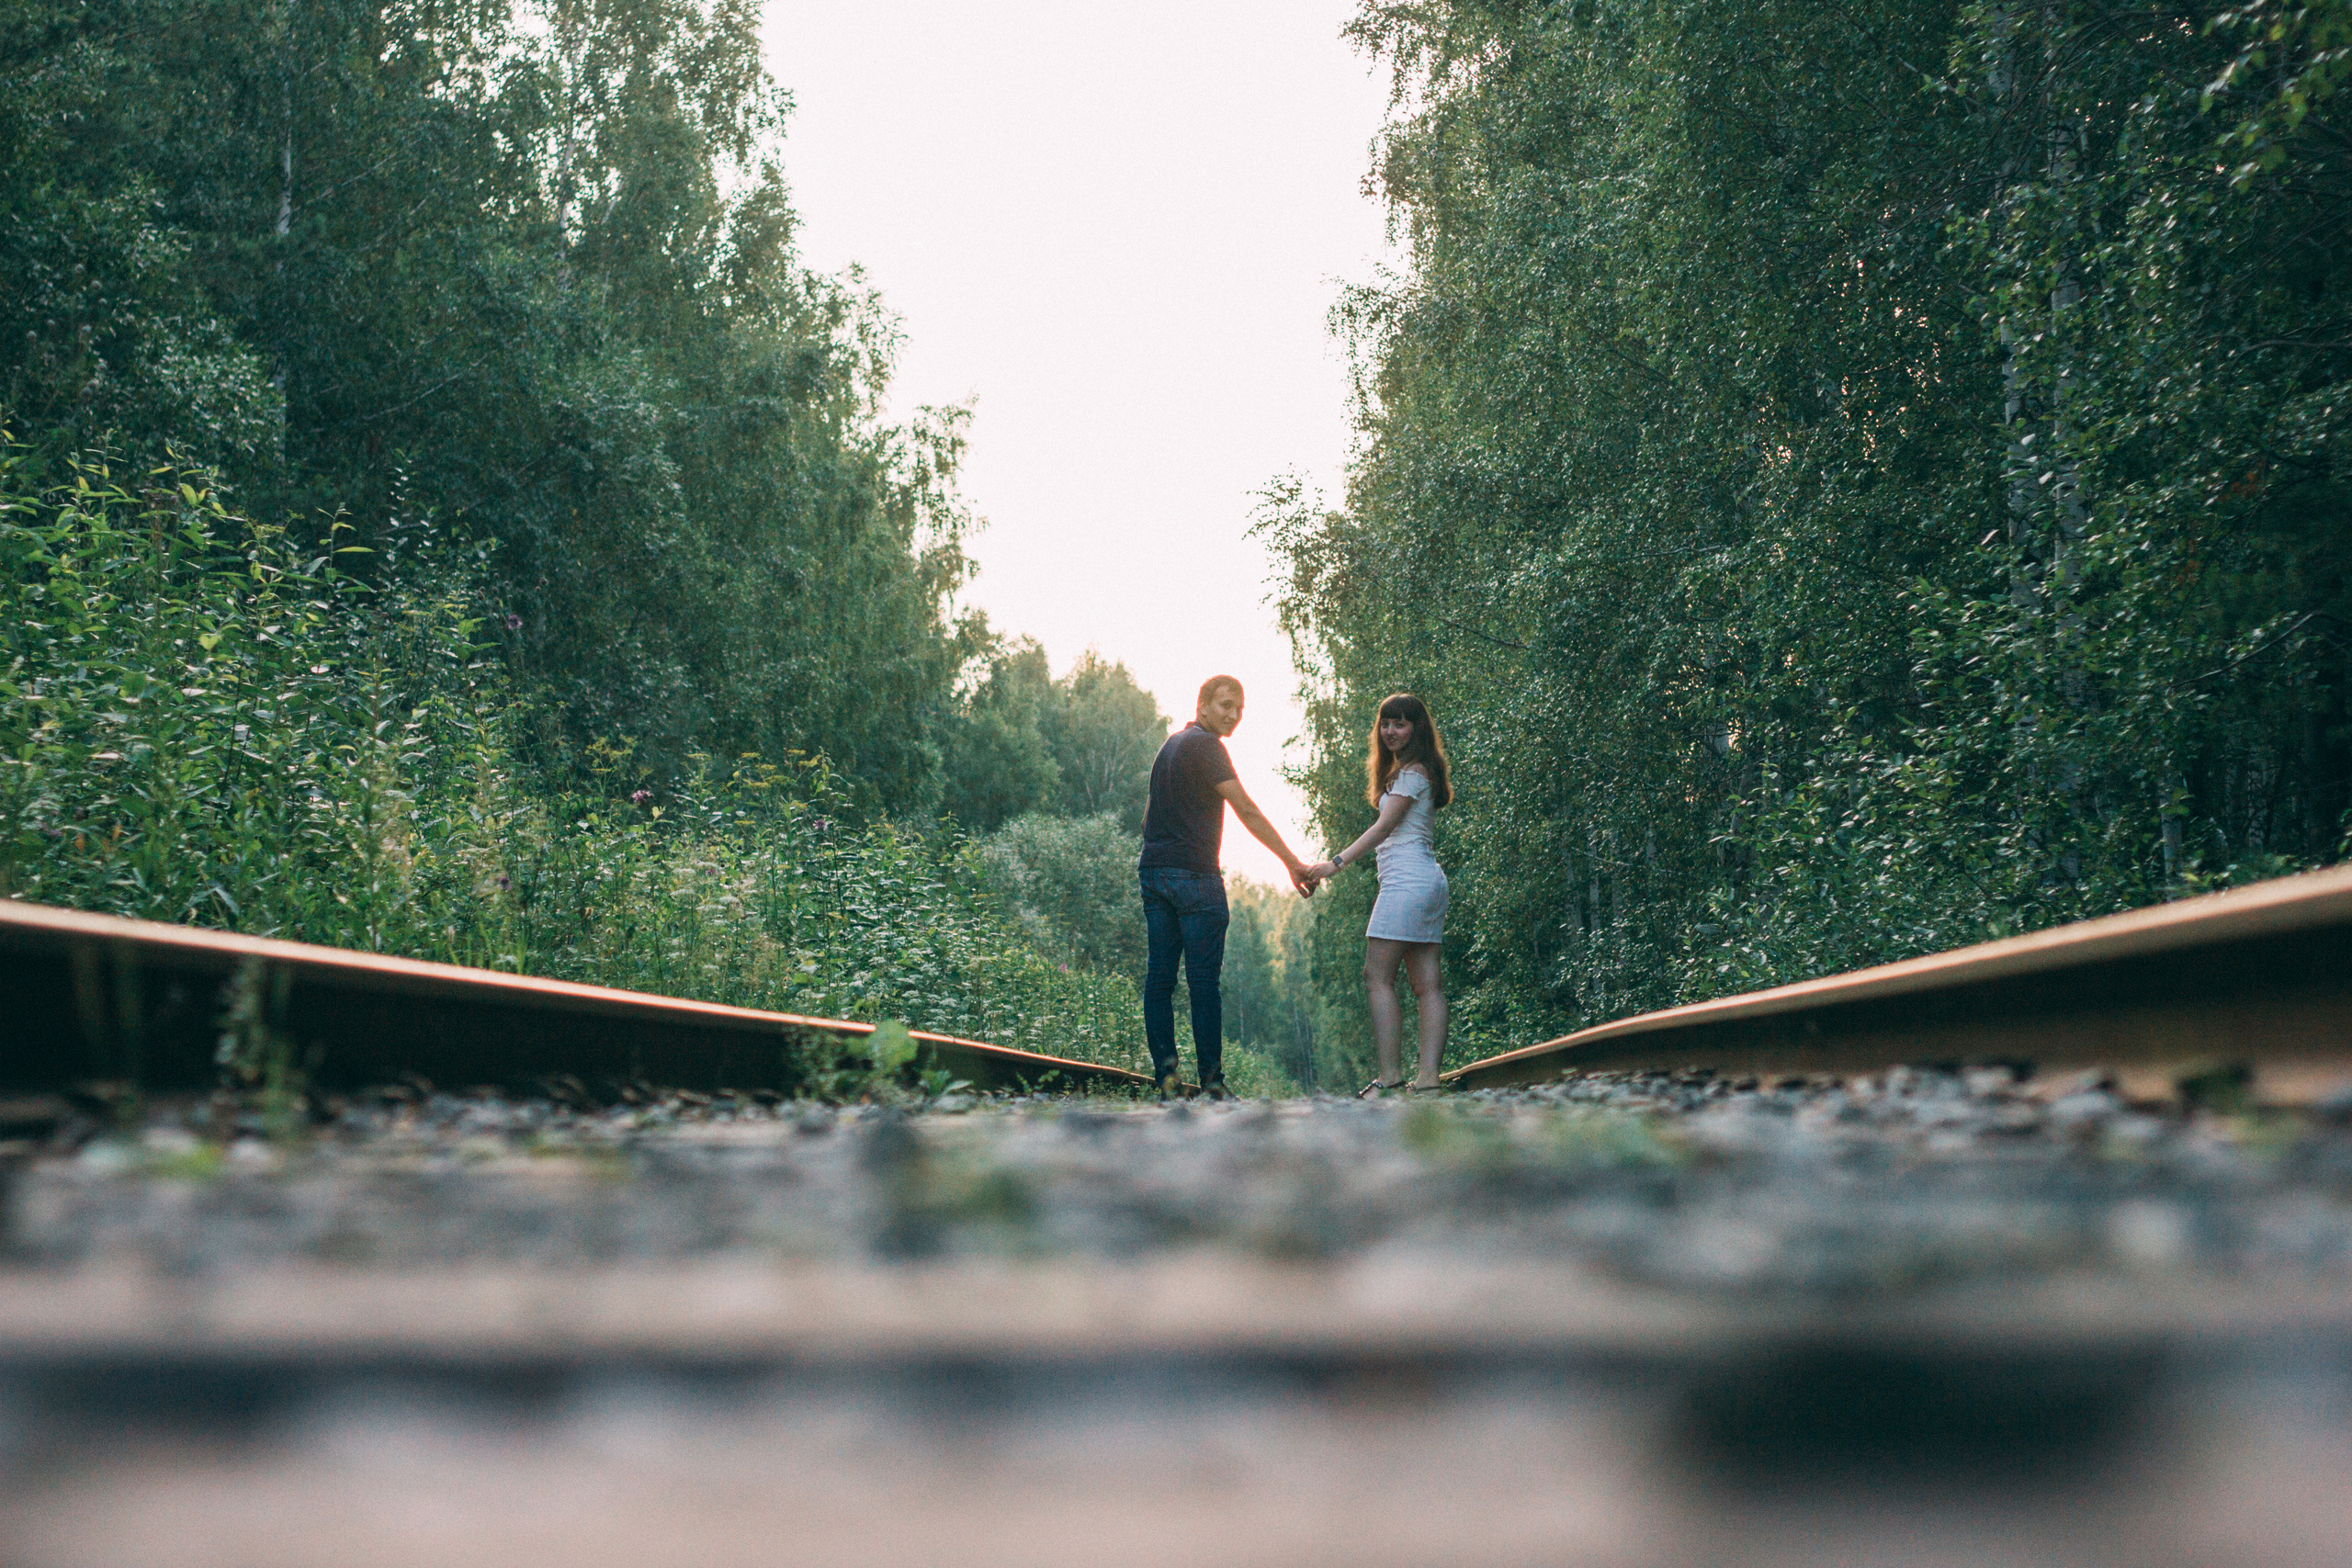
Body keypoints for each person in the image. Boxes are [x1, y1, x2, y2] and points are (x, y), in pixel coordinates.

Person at [1138, 674, 1317, 1100]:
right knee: (1203, 985)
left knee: (1160, 979)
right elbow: (1247, 810)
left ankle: (1167, 1082)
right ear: (1202, 705)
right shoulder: (1207, 747)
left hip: (1154, 872)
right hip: (1196, 878)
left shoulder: (1170, 747)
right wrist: (1292, 862)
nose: (1233, 714)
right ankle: (1213, 1085)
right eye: (1225, 705)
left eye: (1239, 708)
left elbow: (1146, 821)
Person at [1300, 693, 1453, 1096]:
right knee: (1426, 984)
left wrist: (1332, 864)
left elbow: (1384, 828)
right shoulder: (1417, 771)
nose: (1390, 731)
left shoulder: (1412, 774)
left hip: (1407, 882)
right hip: (1427, 882)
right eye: (1386, 723)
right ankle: (1429, 1081)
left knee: (1377, 976)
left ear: (1416, 728)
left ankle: (1390, 1078)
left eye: (1400, 723)